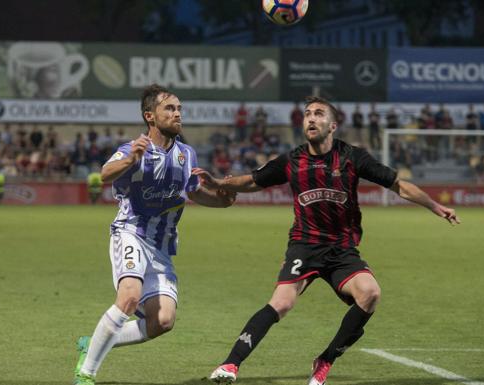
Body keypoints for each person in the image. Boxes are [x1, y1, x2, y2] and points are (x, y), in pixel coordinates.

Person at [192, 96, 460, 385]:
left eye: (318, 114)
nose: (310, 118)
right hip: (304, 245)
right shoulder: (292, 160)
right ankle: (230, 364)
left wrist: (435, 206)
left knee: (370, 294)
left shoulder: (352, 157)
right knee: (281, 303)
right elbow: (253, 181)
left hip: (342, 249)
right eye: (307, 113)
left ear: (332, 125)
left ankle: (325, 360)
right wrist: (219, 183)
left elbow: (398, 186)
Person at [72, 84, 236, 385]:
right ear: (150, 116)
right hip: (131, 232)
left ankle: (93, 341)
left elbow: (193, 192)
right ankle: (85, 374)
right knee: (130, 297)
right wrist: (130, 160)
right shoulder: (134, 149)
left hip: (161, 247)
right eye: (169, 109)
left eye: (179, 109)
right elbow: (103, 174)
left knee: (163, 321)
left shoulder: (187, 154)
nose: (177, 114)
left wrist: (222, 200)